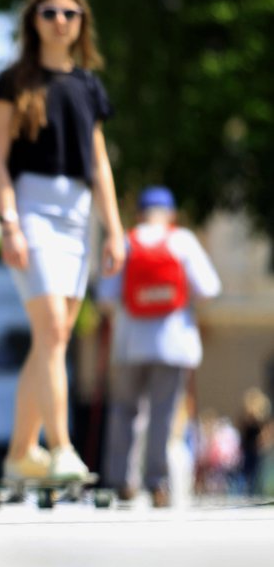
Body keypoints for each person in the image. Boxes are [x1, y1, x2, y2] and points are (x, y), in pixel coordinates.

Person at [0, 0, 125, 483]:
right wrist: (9, 224)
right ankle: (62, 448)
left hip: (78, 216)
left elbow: (100, 164)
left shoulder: (88, 86)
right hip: (32, 209)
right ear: (34, 21)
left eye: (70, 13)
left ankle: (20, 453)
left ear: (81, 22)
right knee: (52, 331)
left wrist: (114, 229)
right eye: (49, 13)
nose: (60, 21)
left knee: (55, 337)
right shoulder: (11, 83)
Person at [97, 185, 221, 506]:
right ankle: (158, 483)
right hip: (174, 343)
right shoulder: (183, 241)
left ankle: (122, 480)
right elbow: (209, 287)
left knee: (125, 412)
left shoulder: (126, 240)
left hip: (129, 345)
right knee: (163, 415)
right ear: (171, 214)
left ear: (139, 213)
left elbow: (106, 298)